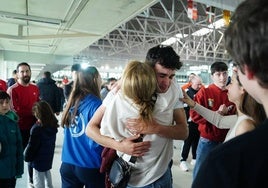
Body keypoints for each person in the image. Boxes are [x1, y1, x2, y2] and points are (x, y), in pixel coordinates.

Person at [86, 45, 188, 187]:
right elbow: (90, 129)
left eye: (171, 76)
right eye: (162, 76)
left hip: (162, 174)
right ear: (148, 69)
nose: (167, 83)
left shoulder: (174, 89)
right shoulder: (120, 93)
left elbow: (183, 132)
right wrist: (120, 146)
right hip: (131, 178)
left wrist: (155, 128)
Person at [192, 0, 268, 187]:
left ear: (248, 70)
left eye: (230, 76)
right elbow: (209, 119)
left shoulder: (226, 164)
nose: (225, 80)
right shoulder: (205, 92)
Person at [181, 71, 265, 142]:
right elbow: (219, 121)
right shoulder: (242, 118)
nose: (227, 86)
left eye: (231, 82)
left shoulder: (245, 126)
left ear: (242, 89)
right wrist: (192, 103)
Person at [60, 66, 105, 188]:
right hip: (89, 164)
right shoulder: (97, 105)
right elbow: (99, 139)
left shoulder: (71, 103)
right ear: (95, 79)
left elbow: (66, 133)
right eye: (100, 77)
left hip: (68, 163)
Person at [190, 61, 236, 179]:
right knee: (201, 173)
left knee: (223, 174)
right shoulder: (204, 92)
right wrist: (216, 115)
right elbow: (194, 115)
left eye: (225, 73)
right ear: (212, 76)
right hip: (208, 140)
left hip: (227, 140)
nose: (222, 77)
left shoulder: (232, 92)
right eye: (218, 74)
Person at [7, 62, 40, 187]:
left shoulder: (35, 88)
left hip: (34, 129)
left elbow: (38, 106)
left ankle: (32, 181)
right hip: (18, 130)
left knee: (32, 156)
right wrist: (34, 112)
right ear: (17, 74)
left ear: (30, 72)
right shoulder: (12, 90)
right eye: (22, 71)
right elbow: (15, 111)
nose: (25, 74)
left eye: (27, 71)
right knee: (16, 157)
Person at [24, 100, 58, 188]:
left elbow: (32, 146)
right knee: (47, 176)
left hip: (37, 160)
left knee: (38, 181)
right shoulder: (53, 126)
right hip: (47, 157)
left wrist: (26, 156)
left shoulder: (36, 129)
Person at [0, 91, 23, 188]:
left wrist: (19, 170)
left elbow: (19, 147)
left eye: (7, 102)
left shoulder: (13, 122)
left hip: (11, 172)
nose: (5, 105)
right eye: (1, 103)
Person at [179, 76, 203, 172]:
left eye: (200, 84)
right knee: (187, 141)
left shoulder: (201, 92)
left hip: (198, 121)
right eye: (198, 84)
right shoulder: (187, 92)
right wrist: (184, 122)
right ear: (192, 83)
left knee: (196, 140)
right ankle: (183, 160)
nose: (199, 86)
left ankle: (194, 158)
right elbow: (184, 109)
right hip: (189, 121)